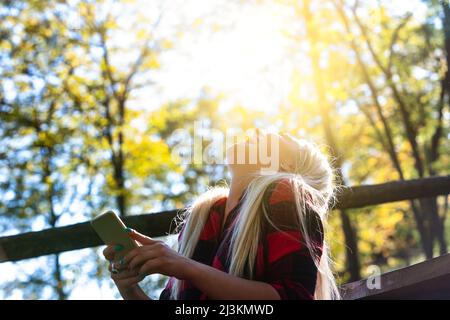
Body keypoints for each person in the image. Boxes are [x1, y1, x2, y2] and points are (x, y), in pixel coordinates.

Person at [102, 130, 340, 300]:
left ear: (285, 168)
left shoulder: (286, 194)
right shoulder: (202, 219)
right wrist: (129, 289)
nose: (257, 131)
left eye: (275, 138)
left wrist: (185, 267)